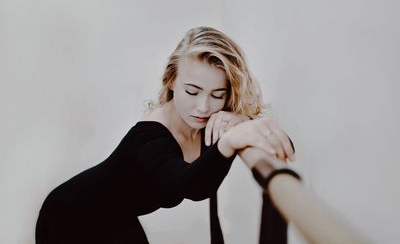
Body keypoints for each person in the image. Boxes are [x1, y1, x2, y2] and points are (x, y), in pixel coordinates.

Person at [35, 26, 295, 243]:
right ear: (171, 81)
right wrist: (230, 140)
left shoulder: (209, 122)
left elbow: (282, 145)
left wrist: (242, 120)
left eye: (217, 94)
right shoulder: (148, 139)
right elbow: (191, 185)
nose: (203, 107)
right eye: (192, 91)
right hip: (69, 217)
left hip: (116, 217)